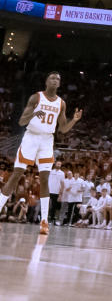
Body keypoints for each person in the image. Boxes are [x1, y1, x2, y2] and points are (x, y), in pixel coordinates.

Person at [0, 71, 82, 234]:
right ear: (46, 81)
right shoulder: (36, 97)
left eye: (58, 79)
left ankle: (44, 221)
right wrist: (34, 113)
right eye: (52, 78)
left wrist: (74, 120)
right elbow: (22, 121)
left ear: (59, 84)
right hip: (31, 137)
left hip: (47, 140)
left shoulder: (61, 103)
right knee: (17, 174)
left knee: (45, 178)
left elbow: (63, 129)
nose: (55, 80)